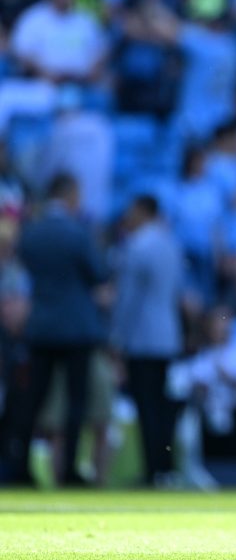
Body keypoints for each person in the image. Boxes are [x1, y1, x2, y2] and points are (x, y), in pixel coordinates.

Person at [11, 173, 107, 485]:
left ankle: (19, 466)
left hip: (41, 326)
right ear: (69, 194)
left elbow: (24, 262)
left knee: (33, 399)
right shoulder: (78, 233)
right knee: (75, 402)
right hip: (76, 327)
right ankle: (69, 471)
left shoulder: (32, 232)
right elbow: (98, 273)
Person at [111, 194, 185, 486]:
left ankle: (151, 469)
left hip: (142, 337)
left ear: (143, 210)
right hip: (168, 335)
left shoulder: (137, 245)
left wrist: (117, 336)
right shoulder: (171, 244)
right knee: (163, 406)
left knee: (146, 406)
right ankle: (166, 467)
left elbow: (128, 299)